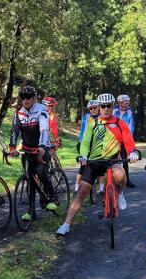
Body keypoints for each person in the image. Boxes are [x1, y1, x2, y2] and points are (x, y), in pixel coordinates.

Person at [56, 93, 138, 236]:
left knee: (120, 174)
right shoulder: (92, 124)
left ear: (113, 107)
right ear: (99, 108)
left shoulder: (120, 123)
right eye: (103, 106)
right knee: (81, 192)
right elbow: (86, 142)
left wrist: (132, 152)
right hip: (94, 162)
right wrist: (83, 155)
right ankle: (66, 224)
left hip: (112, 161)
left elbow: (128, 140)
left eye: (109, 106)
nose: (106, 109)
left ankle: (119, 193)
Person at [9, 86, 57, 221]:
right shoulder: (19, 112)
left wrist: (42, 146)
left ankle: (52, 197)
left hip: (41, 148)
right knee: (29, 179)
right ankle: (31, 211)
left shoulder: (41, 109)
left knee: (41, 173)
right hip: (27, 149)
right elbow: (14, 130)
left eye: (28, 97)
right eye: (23, 97)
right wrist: (12, 147)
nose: (25, 100)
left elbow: (44, 129)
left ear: (34, 98)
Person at [75, 99, 100, 193]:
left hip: (97, 145)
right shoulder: (87, 116)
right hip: (86, 143)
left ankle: (101, 187)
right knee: (83, 165)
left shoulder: (102, 117)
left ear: (98, 108)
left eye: (95, 108)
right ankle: (77, 186)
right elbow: (83, 129)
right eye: (90, 108)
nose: (92, 110)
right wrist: (81, 141)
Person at [114, 94, 136, 188]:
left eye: (127, 103)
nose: (126, 105)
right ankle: (112, 179)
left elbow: (131, 125)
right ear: (120, 103)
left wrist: (128, 137)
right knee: (113, 160)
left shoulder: (130, 112)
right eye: (124, 103)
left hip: (125, 138)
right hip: (114, 139)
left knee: (125, 160)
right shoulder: (114, 111)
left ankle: (127, 180)